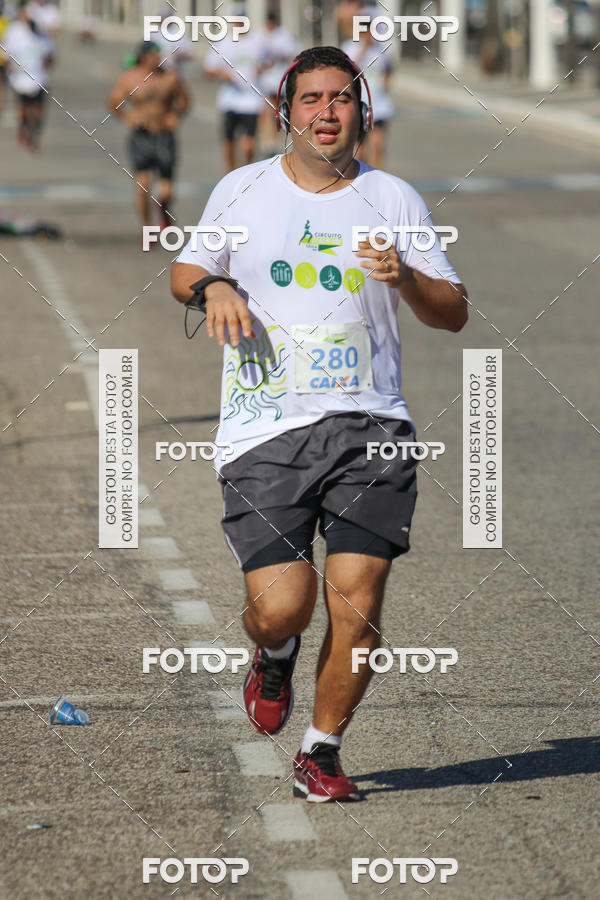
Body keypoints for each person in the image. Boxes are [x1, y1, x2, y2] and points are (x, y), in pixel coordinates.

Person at [171, 46, 467, 802]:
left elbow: (453, 312)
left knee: (359, 604)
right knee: (281, 608)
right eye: (311, 99)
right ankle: (275, 655)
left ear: (361, 113)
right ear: (286, 113)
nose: (327, 112)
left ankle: (321, 750)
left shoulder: (393, 198)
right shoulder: (242, 189)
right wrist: (214, 289)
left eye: (341, 99)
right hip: (265, 429)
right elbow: (185, 269)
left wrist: (409, 278)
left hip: (373, 427)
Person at [107, 41, 190, 240]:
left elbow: (185, 101)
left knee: (166, 192)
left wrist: (175, 116)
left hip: (164, 135)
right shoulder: (130, 78)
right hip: (141, 136)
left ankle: (163, 208)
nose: (158, 58)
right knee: (142, 184)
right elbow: (113, 102)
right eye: (154, 54)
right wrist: (128, 117)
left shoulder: (170, 77)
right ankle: (147, 229)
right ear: (144, 57)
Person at [204, 4, 268, 172]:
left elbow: (270, 59)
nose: (239, 24)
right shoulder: (223, 43)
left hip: (251, 100)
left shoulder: (257, 41)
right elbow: (208, 70)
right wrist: (222, 74)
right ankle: (230, 174)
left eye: (242, 20)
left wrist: (262, 69)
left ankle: (245, 172)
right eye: (237, 20)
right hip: (230, 100)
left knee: (249, 144)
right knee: (228, 142)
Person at [342, 6, 394, 169]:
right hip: (359, 103)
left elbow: (388, 68)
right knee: (360, 150)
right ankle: (363, 177)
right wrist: (363, 48)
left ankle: (378, 175)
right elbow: (349, 69)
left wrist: (386, 81)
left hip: (379, 104)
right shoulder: (350, 47)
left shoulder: (380, 49)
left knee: (378, 145)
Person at [3, 0, 54, 151]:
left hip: (40, 78)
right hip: (20, 79)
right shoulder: (14, 31)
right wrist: (10, 66)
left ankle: (34, 136)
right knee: (23, 109)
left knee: (39, 111)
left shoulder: (43, 33)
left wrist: (47, 63)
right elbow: (6, 53)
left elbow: (51, 55)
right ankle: (23, 128)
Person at [257, 10, 298, 156]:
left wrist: (276, 56)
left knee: (284, 113)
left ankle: (282, 140)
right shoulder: (260, 35)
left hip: (282, 81)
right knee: (268, 112)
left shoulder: (284, 35)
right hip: (267, 82)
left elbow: (292, 53)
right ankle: (269, 143)